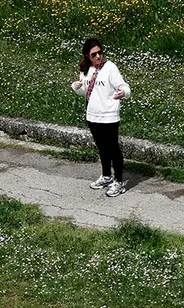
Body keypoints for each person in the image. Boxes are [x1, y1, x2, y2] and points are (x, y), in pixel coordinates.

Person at [71, 38, 132, 197]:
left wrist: (124, 93)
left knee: (113, 149)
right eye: (94, 54)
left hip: (109, 116)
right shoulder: (86, 69)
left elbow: (124, 86)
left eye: (99, 52)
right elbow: (86, 91)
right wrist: (76, 87)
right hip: (93, 115)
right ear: (87, 55)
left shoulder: (110, 67)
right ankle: (106, 176)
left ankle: (118, 181)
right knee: (102, 147)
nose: (98, 56)